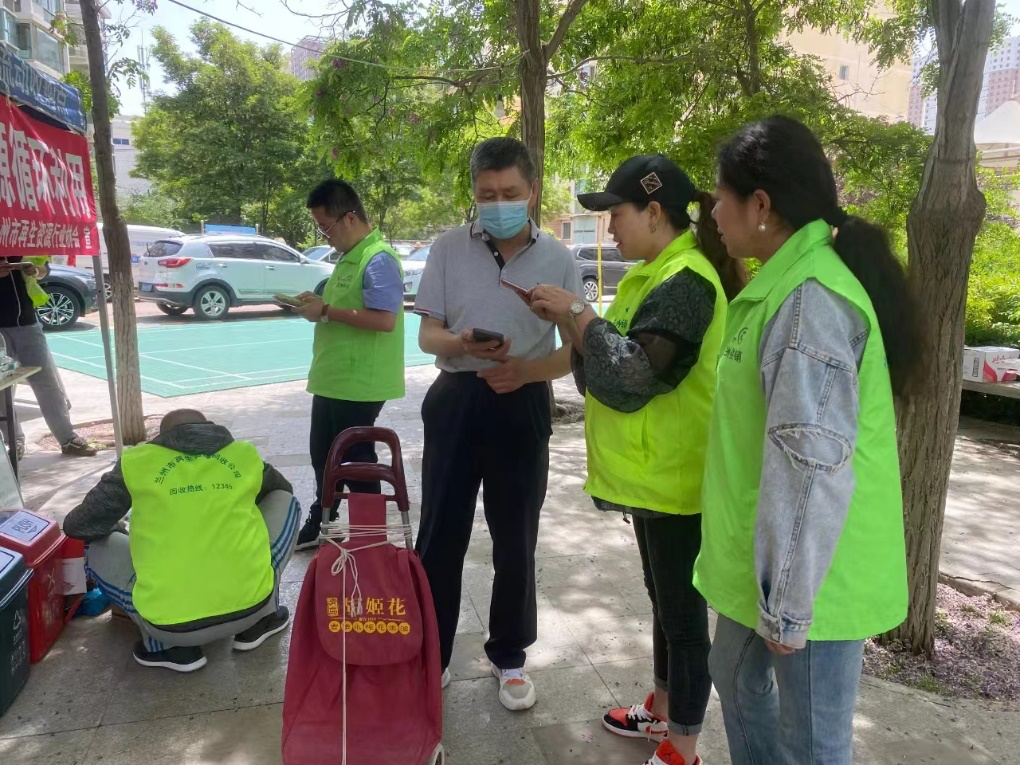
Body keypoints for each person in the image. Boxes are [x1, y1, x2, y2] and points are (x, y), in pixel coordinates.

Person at [693, 116, 922, 765]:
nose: (712, 209)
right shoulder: (779, 288)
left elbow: (811, 463)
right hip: (762, 556)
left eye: (720, 194)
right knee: (734, 674)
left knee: (814, 744)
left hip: (813, 566)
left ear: (760, 205)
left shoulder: (809, 303)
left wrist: (789, 604)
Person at [529, 155, 747, 765]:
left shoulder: (687, 282)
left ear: (655, 212)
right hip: (650, 477)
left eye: (616, 215)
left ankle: (684, 744)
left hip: (678, 478)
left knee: (681, 616)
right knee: (662, 598)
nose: (609, 230)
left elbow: (629, 376)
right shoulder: (648, 278)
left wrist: (577, 315)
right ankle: (661, 705)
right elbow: (601, 369)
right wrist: (575, 326)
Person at [414, 137, 583, 711]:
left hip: (522, 402)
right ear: (474, 193)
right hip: (455, 398)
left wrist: (527, 371)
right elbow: (426, 334)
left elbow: (575, 349)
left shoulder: (559, 257)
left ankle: (509, 657)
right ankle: (429, 655)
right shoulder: (447, 248)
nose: (498, 202)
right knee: (440, 533)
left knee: (516, 536)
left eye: (510, 193)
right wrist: (460, 340)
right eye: (487, 194)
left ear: (532, 191)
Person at [63, 409, 300, 672]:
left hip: (168, 628)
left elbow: (78, 526)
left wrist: (119, 526)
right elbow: (282, 489)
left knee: (97, 544)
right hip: (254, 607)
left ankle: (167, 649)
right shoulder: (243, 455)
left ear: (161, 437)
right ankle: (263, 620)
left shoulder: (137, 462)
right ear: (212, 428)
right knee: (285, 501)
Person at [292, 179, 406, 549]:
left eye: (326, 226)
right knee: (323, 454)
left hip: (360, 382)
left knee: (356, 459)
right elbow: (341, 307)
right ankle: (326, 517)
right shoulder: (348, 257)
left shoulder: (378, 259)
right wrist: (317, 304)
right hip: (333, 377)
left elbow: (384, 319)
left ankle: (370, 536)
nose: (324, 235)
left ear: (350, 218)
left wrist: (324, 310)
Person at [0, 255, 96, 459]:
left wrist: (36, 271)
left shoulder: (19, 238)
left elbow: (43, 269)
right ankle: (13, 441)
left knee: (47, 383)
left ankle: (68, 439)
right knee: (3, 389)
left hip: (28, 324)